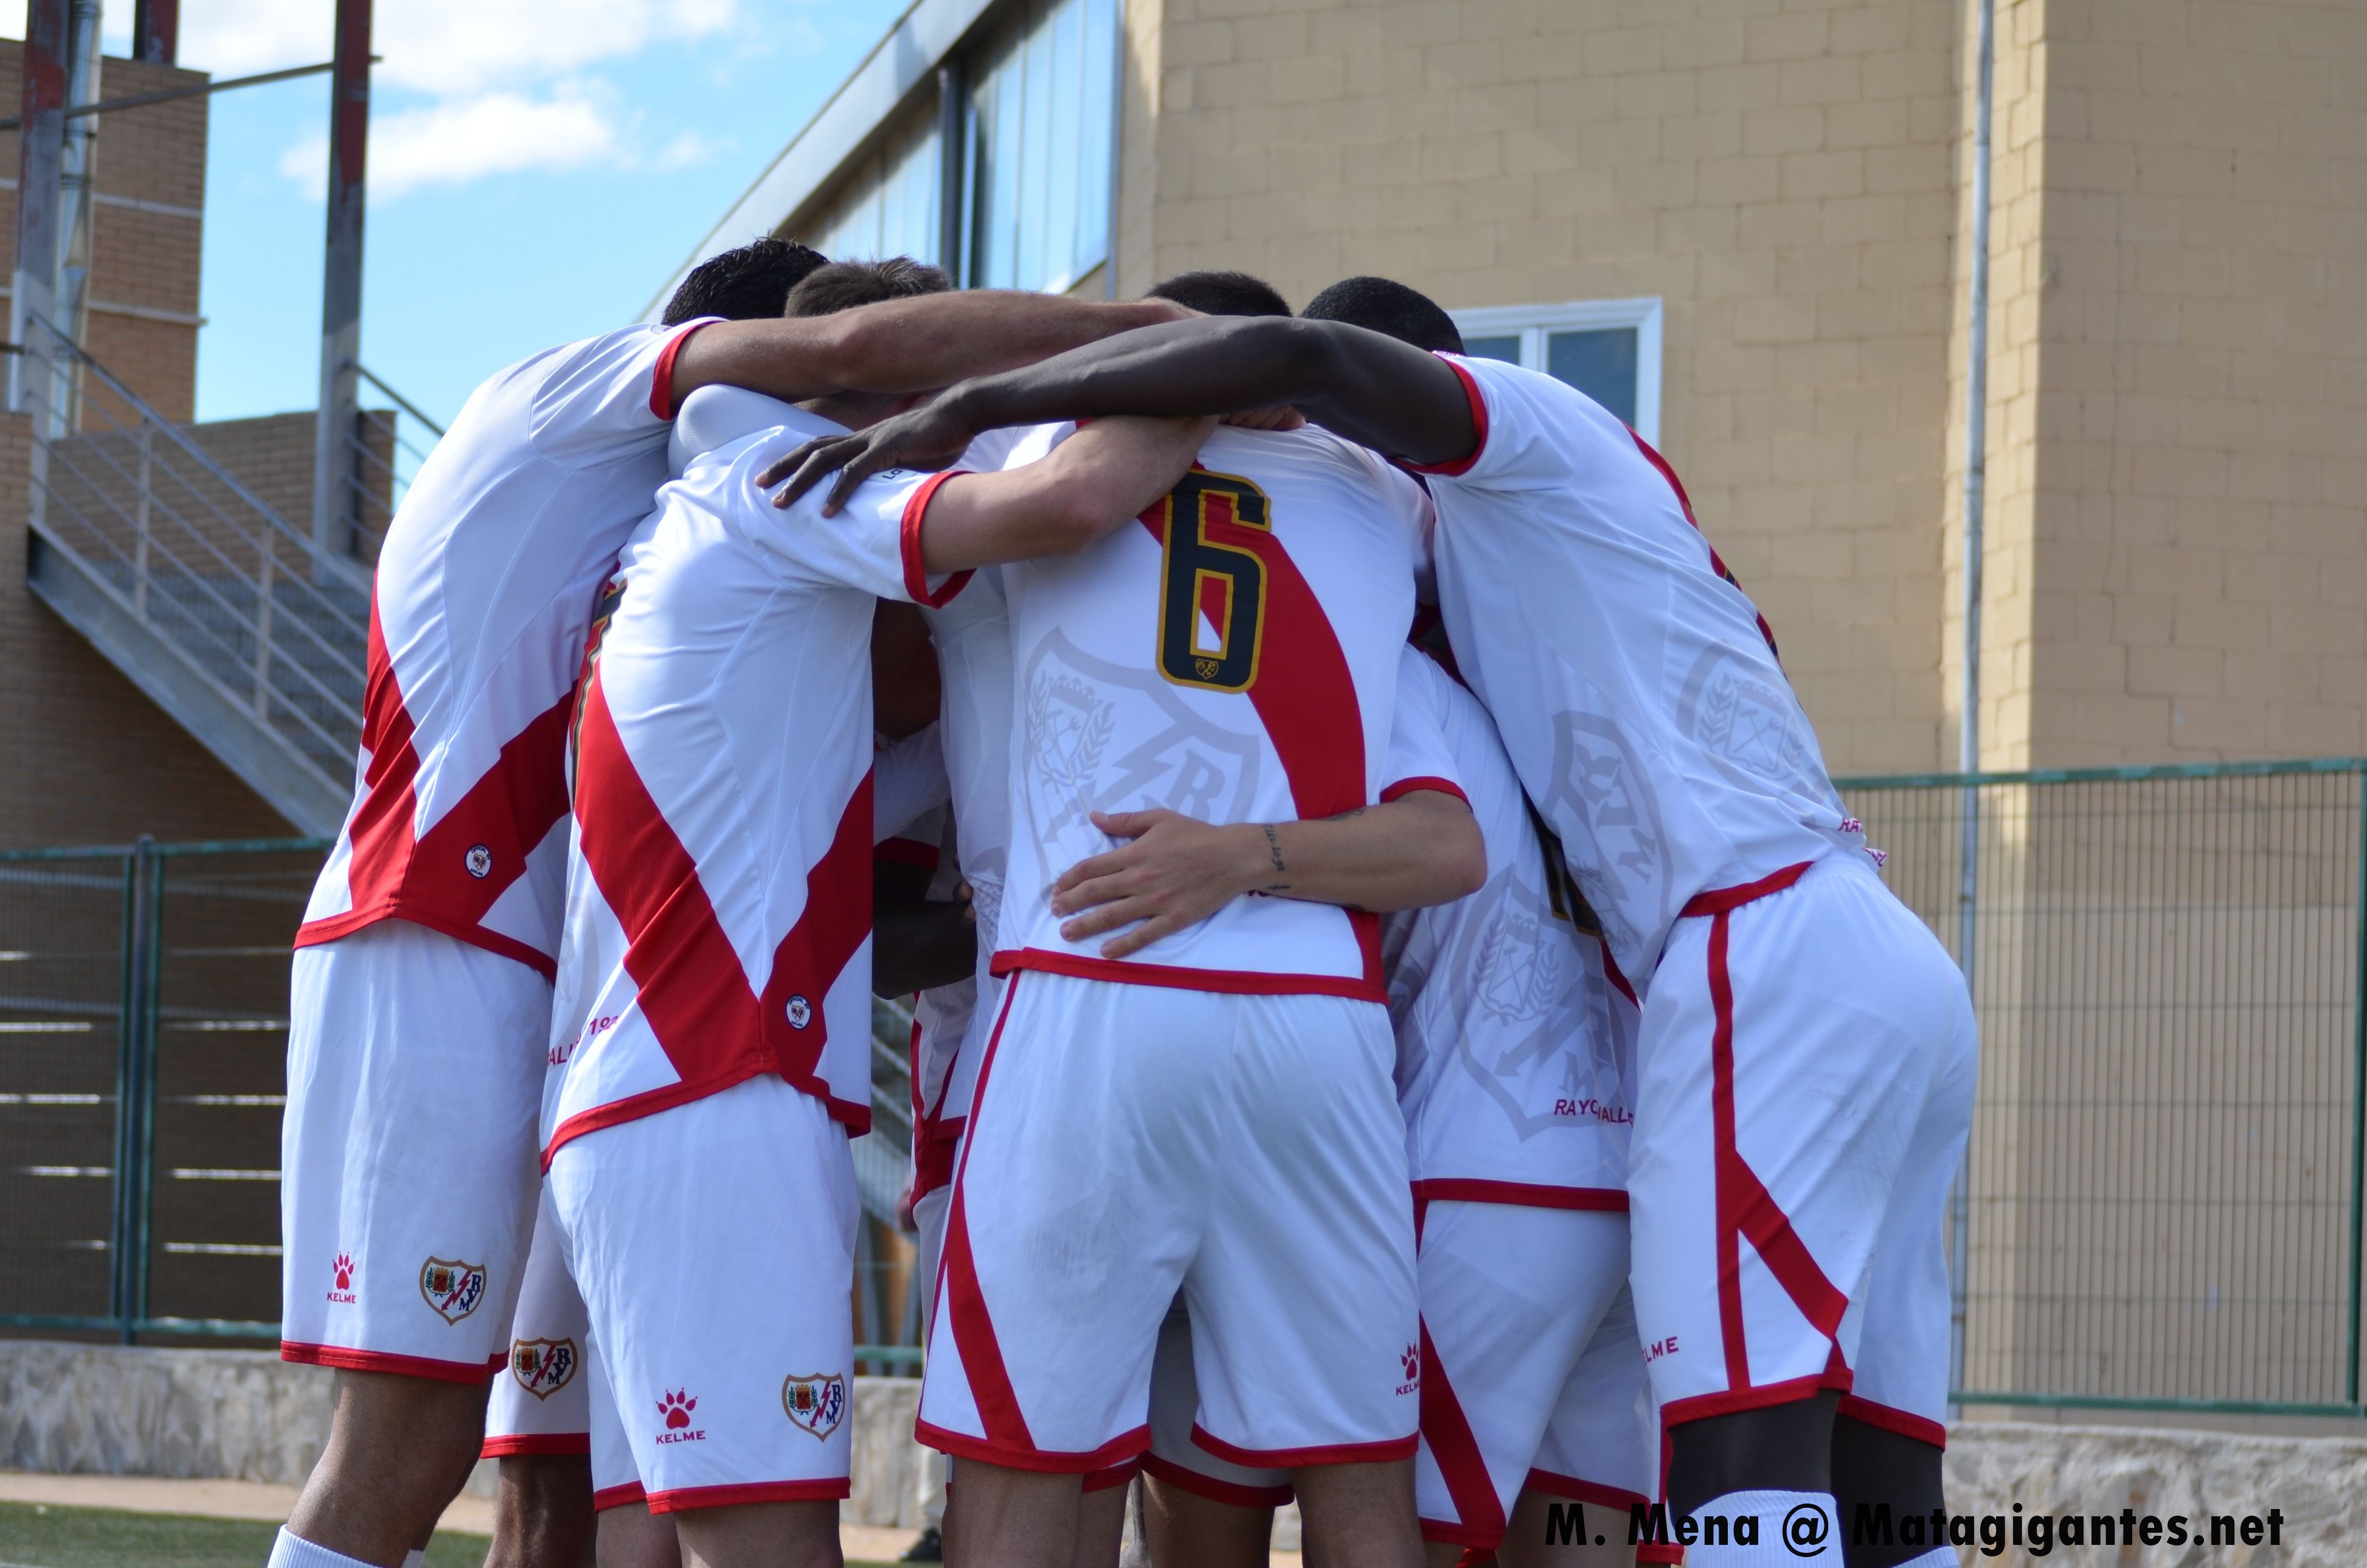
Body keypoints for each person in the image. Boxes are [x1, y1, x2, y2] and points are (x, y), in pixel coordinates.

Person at [763, 280, 1976, 1568]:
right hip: (1814, 976)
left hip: (1655, 1008)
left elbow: (1287, 373)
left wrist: (968, 402)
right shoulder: (1442, 556)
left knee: (1735, 1451)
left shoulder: (1508, 447)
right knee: (1867, 1462)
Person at [270, 241, 1193, 1568]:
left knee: (610, 1510)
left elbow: (842, 886)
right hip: (457, 947)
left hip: (590, 1024)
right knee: (416, 1453)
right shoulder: (652, 437)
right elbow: (876, 376)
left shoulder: (704, 547)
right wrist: (1173, 345)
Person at [542, 257, 1227, 1568]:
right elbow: (1074, 496)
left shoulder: (764, 595)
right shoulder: (775, 486)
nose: (960, 424)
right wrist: (1218, 366)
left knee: (664, 1544)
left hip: (701, 1090)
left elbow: (932, 797)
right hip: (703, 1093)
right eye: (946, 386)